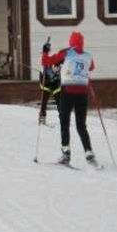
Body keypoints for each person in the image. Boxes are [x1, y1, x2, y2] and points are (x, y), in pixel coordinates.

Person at [40, 31, 97, 166]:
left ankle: (66, 153)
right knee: (81, 125)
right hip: (82, 93)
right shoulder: (88, 56)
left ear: (71, 42)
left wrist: (45, 51)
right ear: (82, 42)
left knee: (65, 122)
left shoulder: (66, 52)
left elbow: (46, 62)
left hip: (67, 92)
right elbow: (92, 67)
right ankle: (89, 152)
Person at [38, 39, 61, 125]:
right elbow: (44, 60)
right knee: (44, 100)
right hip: (46, 82)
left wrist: (57, 73)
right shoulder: (45, 58)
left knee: (59, 100)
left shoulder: (57, 59)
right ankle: (42, 116)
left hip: (55, 82)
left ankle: (63, 117)